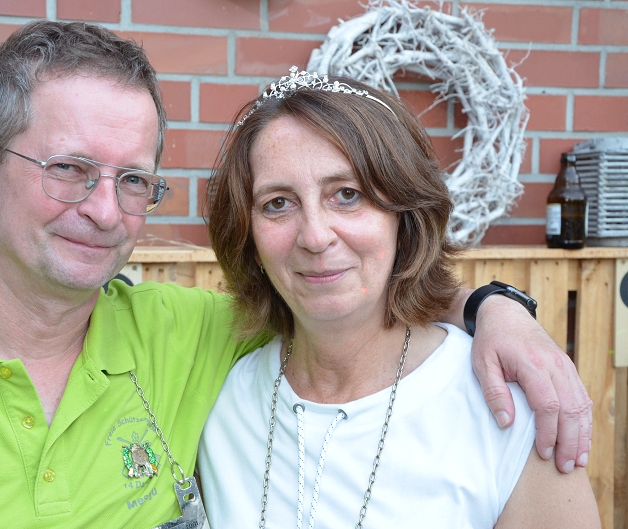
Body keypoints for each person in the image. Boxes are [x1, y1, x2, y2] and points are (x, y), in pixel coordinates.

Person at [0, 21, 591, 529]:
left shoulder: (189, 340)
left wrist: (496, 307)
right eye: (69, 169)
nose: (104, 210)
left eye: (133, 180)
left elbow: (351, 303)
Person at [198, 69, 599, 528]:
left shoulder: (503, 408)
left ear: (404, 216)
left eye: (347, 194)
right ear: (248, 235)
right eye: (278, 203)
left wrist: (496, 306)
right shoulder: (220, 397)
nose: (314, 236)